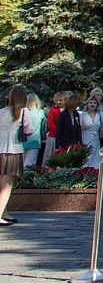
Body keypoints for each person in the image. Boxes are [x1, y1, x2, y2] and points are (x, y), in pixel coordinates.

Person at [1, 85, 35, 226]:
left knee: (1, 184)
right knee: (7, 185)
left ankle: (4, 213)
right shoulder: (23, 112)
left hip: (0, 150)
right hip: (13, 150)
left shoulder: (2, 111)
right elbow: (30, 130)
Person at [80, 96, 103, 168]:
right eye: (91, 103)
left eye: (94, 103)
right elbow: (79, 128)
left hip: (95, 139)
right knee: (86, 157)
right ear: (87, 104)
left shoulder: (100, 114)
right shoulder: (83, 115)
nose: (92, 104)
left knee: (95, 157)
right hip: (85, 138)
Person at [21, 93, 46, 168]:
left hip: (22, 140)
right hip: (35, 140)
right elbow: (42, 127)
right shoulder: (41, 112)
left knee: (20, 163)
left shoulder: (22, 111)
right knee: (30, 164)